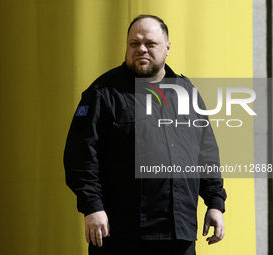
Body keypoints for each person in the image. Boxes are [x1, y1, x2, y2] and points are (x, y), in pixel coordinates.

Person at [64, 15, 227, 255]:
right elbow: (81, 156)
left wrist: (215, 203)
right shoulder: (103, 93)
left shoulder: (186, 92)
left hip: (178, 232)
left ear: (167, 48)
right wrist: (92, 207)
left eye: (150, 43)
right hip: (122, 234)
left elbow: (206, 152)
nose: (141, 49)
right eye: (134, 43)